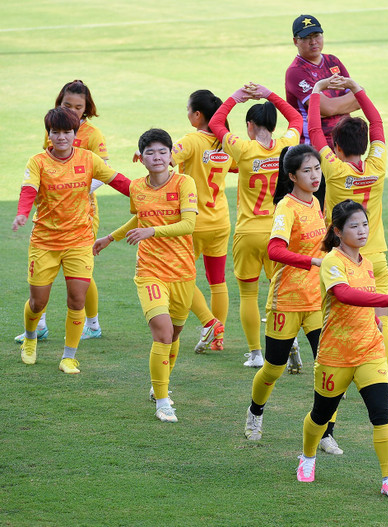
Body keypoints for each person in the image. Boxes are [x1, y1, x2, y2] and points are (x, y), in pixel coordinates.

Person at [296, 199, 388, 499]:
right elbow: (344, 294)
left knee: (382, 413)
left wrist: (374, 319)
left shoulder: (368, 263)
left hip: (370, 351)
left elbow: (364, 296)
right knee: (321, 414)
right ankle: (307, 457)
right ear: (337, 231)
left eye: (365, 224)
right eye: (354, 226)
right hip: (335, 353)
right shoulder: (332, 262)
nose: (362, 231)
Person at [12, 107, 131, 373]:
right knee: (37, 303)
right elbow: (28, 190)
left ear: (75, 134)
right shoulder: (38, 162)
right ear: (49, 134)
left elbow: (118, 180)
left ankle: (69, 356)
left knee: (77, 300)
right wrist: (22, 213)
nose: (61, 137)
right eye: (56, 132)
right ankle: (30, 340)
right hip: (44, 242)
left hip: (79, 240)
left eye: (67, 132)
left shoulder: (89, 159)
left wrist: (145, 194)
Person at [93, 129, 198, 423]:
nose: (157, 157)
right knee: (162, 332)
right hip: (150, 271)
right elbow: (141, 217)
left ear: (170, 155)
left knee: (175, 334)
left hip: (182, 271)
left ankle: (159, 384)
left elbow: (188, 224)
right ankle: (163, 401)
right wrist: (110, 238)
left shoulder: (184, 183)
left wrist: (151, 231)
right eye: (150, 152)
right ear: (141, 158)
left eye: (163, 151)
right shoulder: (137, 187)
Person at [245, 144, 344, 455]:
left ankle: (326, 431)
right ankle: (255, 413)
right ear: (291, 176)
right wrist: (311, 262)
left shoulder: (316, 202)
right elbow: (274, 250)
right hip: (286, 300)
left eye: (317, 169)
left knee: (330, 367)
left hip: (317, 300)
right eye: (307, 171)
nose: (315, 176)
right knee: (273, 368)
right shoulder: (285, 208)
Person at [206, 82, 303, 368]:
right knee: (280, 292)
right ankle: (289, 341)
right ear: (273, 125)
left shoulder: (243, 149)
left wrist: (235, 98)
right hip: (279, 233)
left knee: (249, 294)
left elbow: (215, 123)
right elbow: (297, 118)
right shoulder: (287, 145)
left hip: (248, 232)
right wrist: (269, 94)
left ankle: (256, 354)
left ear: (250, 125)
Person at [308, 74, 388, 377]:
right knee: (380, 321)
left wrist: (318, 90)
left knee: (335, 319)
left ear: (336, 146)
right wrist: (356, 88)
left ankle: (336, 374)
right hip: (377, 256)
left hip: (342, 259)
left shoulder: (332, 169)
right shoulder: (378, 165)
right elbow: (378, 124)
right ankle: (382, 376)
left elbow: (313, 129)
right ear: (366, 144)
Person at [15, 80, 110, 344]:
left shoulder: (92, 134)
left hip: (83, 212)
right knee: (44, 277)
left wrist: (72, 188)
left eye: (79, 107)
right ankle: (40, 324)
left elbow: (105, 171)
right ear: (59, 103)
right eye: (68, 105)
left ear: (86, 108)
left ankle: (92, 323)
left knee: (79, 269)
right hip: (50, 215)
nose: (73, 110)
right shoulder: (55, 127)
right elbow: (45, 164)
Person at [171, 90, 234, 353]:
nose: (187, 114)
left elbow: (167, 159)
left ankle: (209, 324)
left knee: (179, 275)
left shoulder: (192, 141)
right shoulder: (226, 143)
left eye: (188, 109)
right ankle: (218, 337)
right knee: (217, 280)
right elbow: (237, 165)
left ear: (198, 115)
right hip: (220, 220)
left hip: (193, 222)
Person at [285, 14, 359, 150]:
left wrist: (328, 110)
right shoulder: (296, 71)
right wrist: (336, 107)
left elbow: (359, 99)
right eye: (306, 37)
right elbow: (327, 107)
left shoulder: (333, 61)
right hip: (314, 149)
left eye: (316, 35)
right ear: (295, 41)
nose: (313, 42)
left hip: (345, 144)